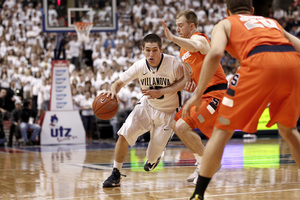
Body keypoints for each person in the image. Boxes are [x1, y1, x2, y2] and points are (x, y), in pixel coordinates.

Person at [182, 1, 300, 199]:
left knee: (222, 130)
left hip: (259, 61)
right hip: (292, 64)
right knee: (288, 130)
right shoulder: (270, 22)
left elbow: (216, 53)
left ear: (227, 10)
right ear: (252, 10)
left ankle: (198, 194)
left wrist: (197, 94)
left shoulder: (225, 23)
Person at [102, 33, 188, 187]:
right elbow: (118, 83)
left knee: (151, 158)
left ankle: (155, 157)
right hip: (147, 106)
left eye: (154, 50)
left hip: (168, 112)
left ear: (161, 49)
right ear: (142, 50)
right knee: (124, 134)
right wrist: (113, 92)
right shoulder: (140, 65)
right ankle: (115, 173)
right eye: (147, 50)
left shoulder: (174, 64)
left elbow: (186, 81)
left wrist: (163, 91)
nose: (151, 54)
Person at [157, 10, 228, 184]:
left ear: (192, 26)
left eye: (181, 25)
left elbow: (195, 46)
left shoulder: (200, 39)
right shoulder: (183, 50)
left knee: (182, 127)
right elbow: (191, 72)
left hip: (216, 93)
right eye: (176, 26)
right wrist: (187, 81)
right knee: (175, 123)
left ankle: (208, 165)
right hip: (202, 95)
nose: (178, 28)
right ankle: (203, 163)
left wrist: (172, 37)